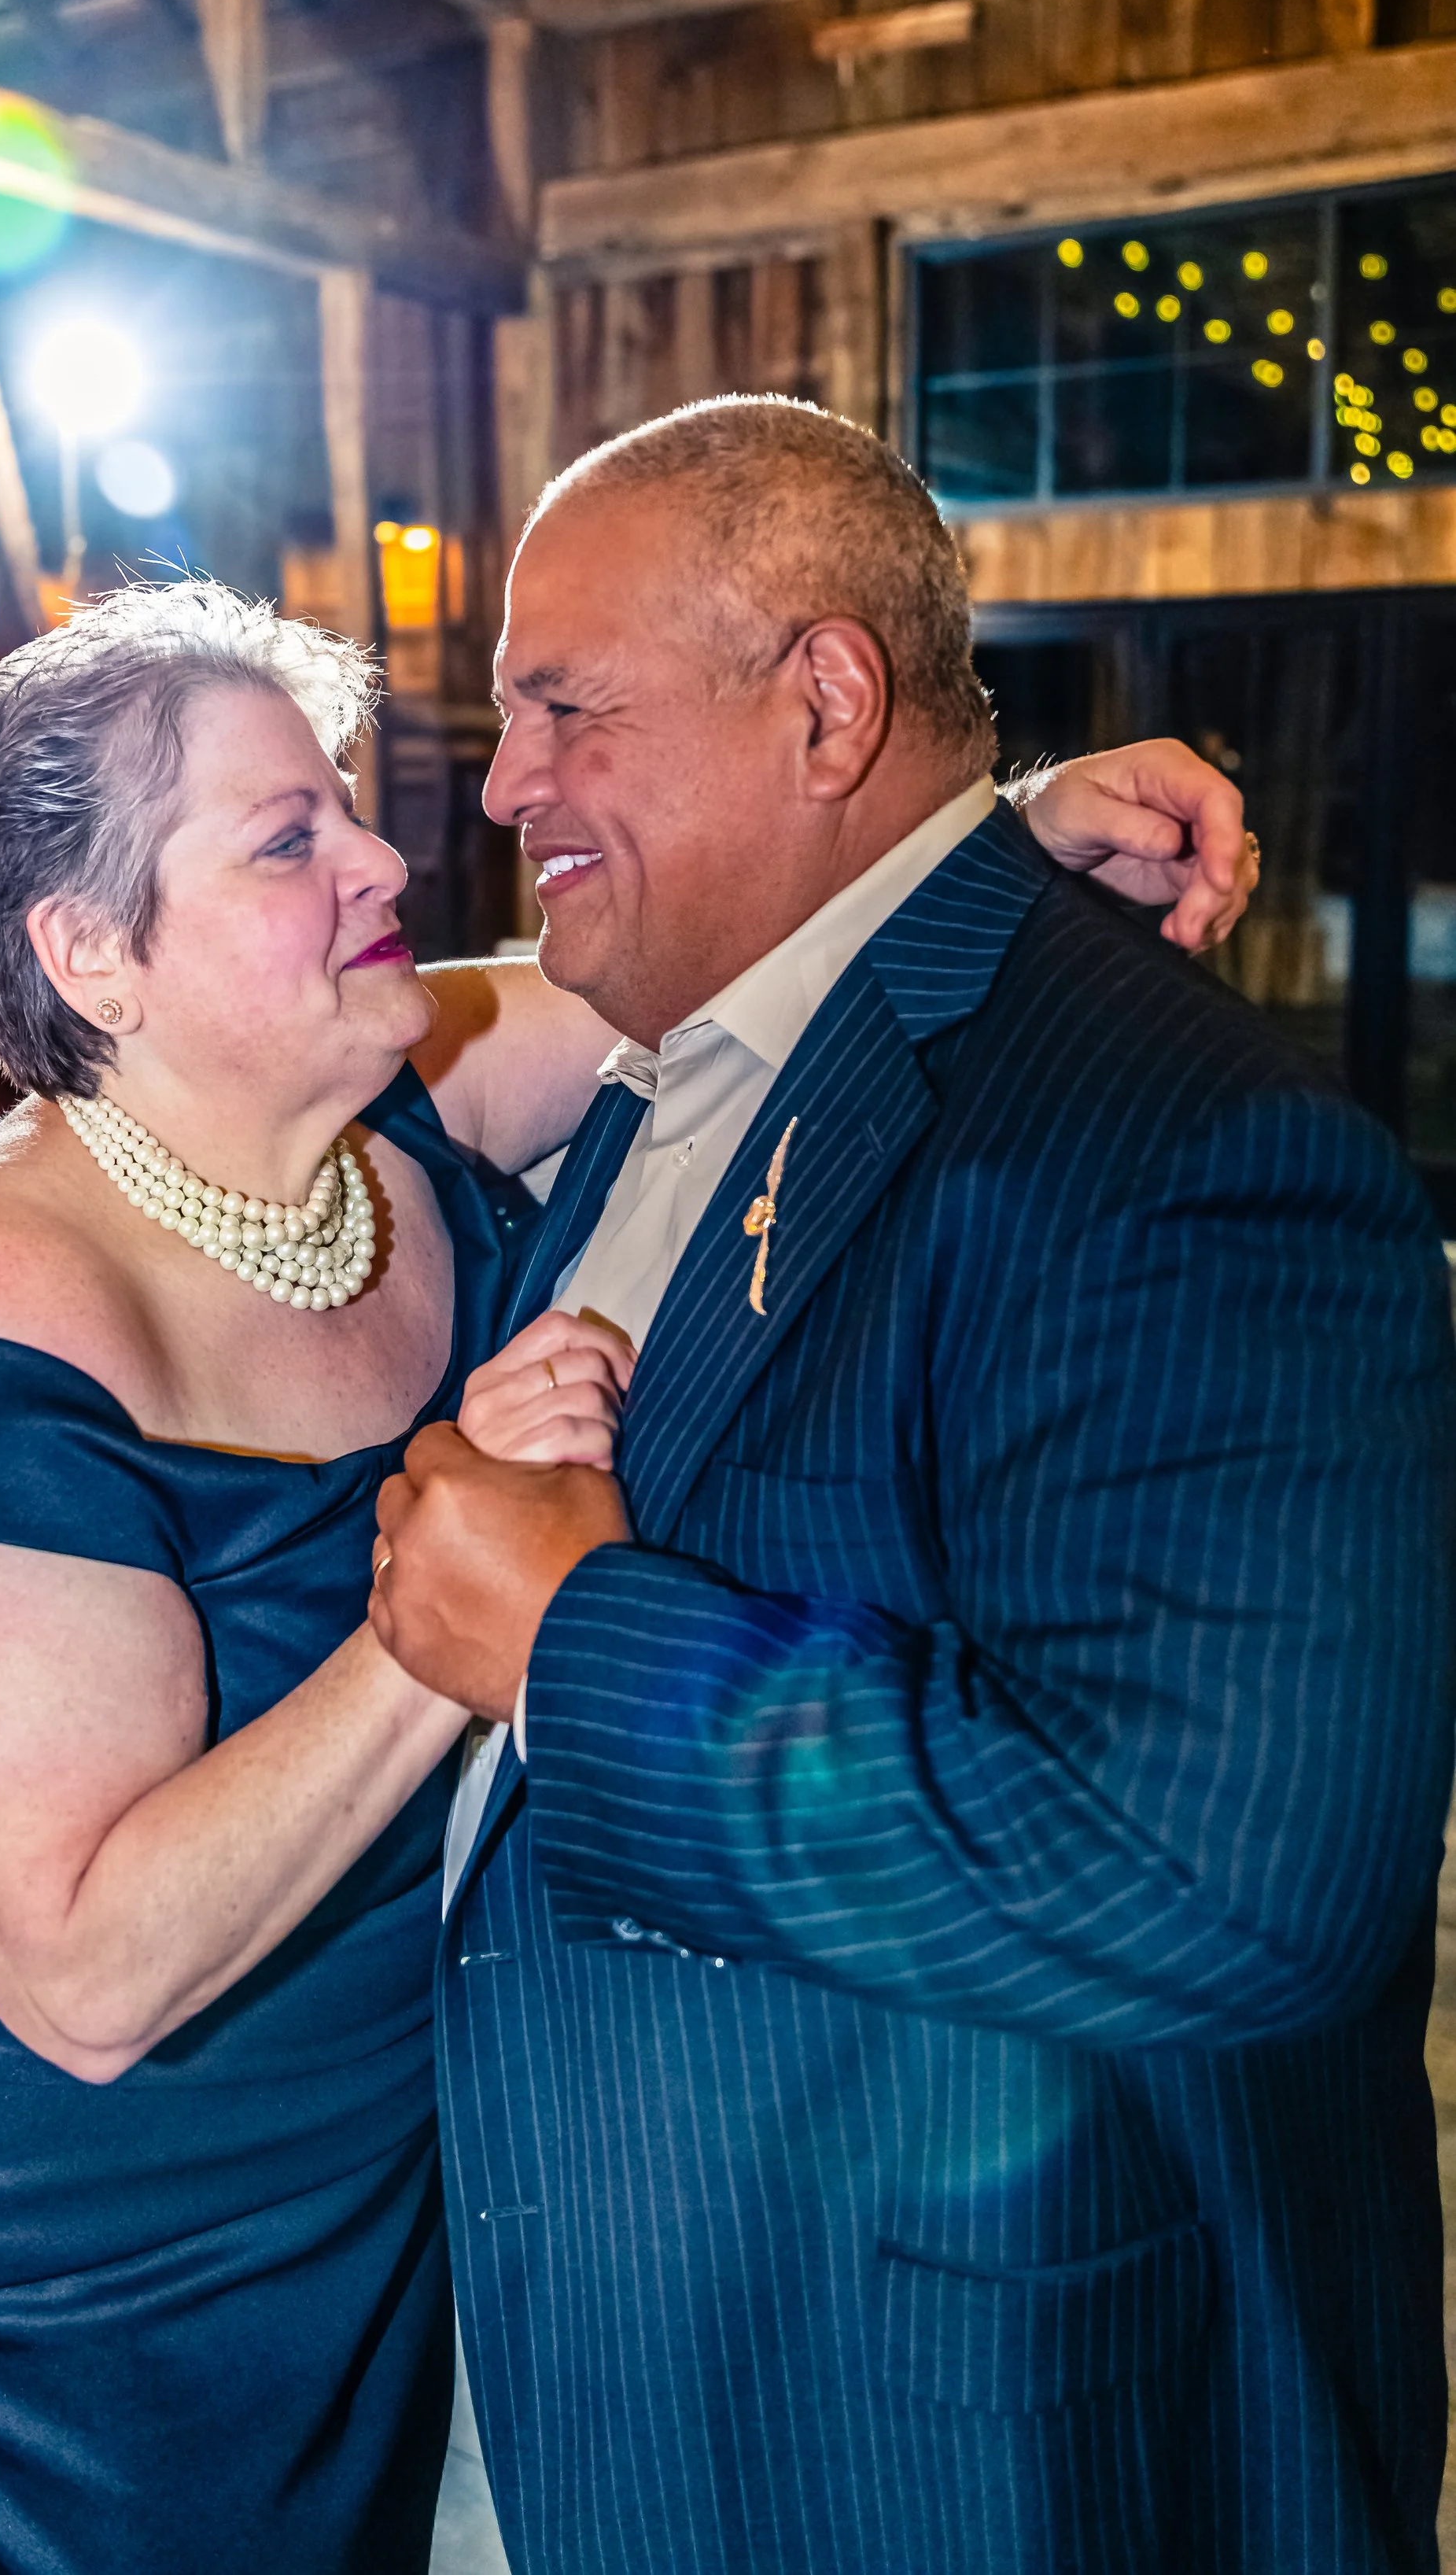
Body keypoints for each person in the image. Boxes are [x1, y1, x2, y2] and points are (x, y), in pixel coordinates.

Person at [0, 577, 1256, 2575]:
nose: (379, 861)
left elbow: (745, 960)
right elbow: (82, 1971)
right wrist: (464, 1586)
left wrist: (1007, 835)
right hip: (12, 2211)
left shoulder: (387, 1092)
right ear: (91, 952)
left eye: (341, 807)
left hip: (343, 2116)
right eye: (286, 840)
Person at [371, 397, 1456, 2575]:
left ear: (824, 703)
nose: (499, 787)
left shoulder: (1184, 1149)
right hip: (701, 2369)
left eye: (564, 708)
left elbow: (1231, 1874)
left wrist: (571, 1647)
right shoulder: (684, 1041)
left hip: (978, 2447)